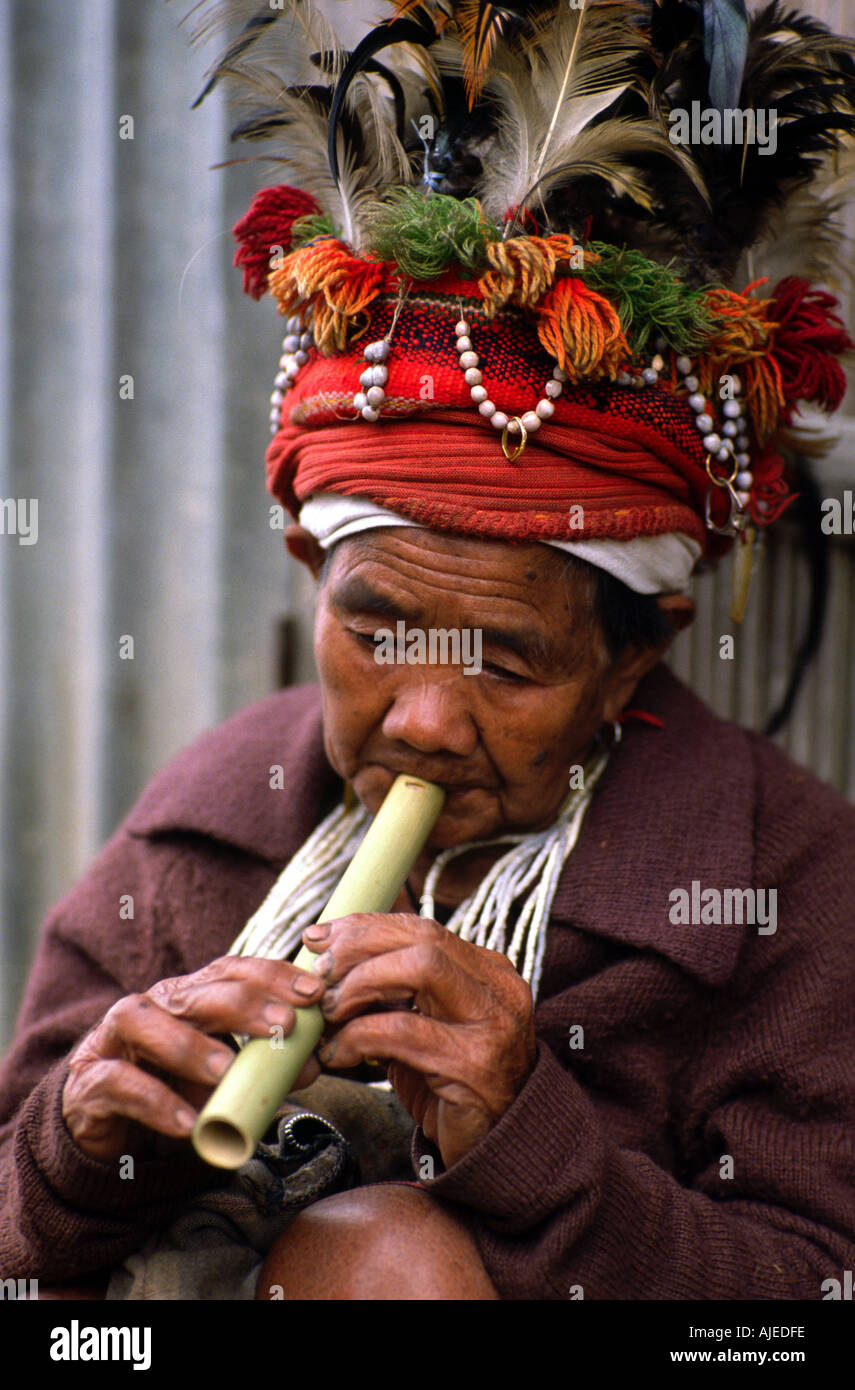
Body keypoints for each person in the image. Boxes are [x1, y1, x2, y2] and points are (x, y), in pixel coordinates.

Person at [2, 0, 855, 1300]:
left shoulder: (782, 881)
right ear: (307, 574)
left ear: (635, 656)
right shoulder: (211, 827)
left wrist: (534, 1144)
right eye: (377, 628)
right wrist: (78, 1144)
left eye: (505, 665)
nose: (422, 721)